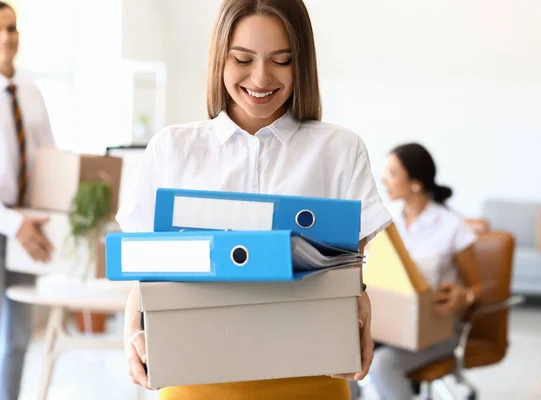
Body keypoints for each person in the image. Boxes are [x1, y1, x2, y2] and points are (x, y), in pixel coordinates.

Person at [116, 0, 392, 399]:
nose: (261, 78)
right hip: (196, 379)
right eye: (242, 59)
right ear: (219, 60)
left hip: (310, 378)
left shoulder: (339, 150)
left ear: (303, 64)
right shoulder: (173, 149)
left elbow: (351, 272)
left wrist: (361, 303)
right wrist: (132, 333)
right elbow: (148, 272)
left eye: (282, 60)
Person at [353, 143, 484, 400]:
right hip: (388, 322)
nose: (383, 178)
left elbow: (478, 288)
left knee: (382, 365)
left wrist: (464, 296)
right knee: (342, 352)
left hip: (436, 328)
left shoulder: (452, 227)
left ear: (415, 182)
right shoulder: (386, 221)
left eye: (392, 173)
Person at [0, 2, 55, 399]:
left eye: (12, 28)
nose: (7, 37)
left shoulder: (31, 90)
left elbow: (49, 159)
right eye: (0, 29)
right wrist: (12, 223)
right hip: (8, 224)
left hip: (27, 229)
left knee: (19, 335)